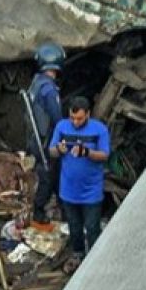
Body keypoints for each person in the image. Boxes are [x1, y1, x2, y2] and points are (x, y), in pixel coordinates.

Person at [47, 96, 110, 263]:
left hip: (92, 191)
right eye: (72, 118)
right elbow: (51, 151)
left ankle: (95, 259)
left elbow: (104, 155)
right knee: (74, 227)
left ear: (88, 114)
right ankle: (78, 254)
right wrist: (59, 150)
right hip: (68, 190)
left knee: (91, 227)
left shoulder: (99, 130)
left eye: (79, 118)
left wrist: (87, 153)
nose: (75, 122)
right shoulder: (62, 127)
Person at [26, 42, 65, 227]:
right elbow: (57, 118)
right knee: (48, 177)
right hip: (46, 141)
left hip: (37, 138)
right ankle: (38, 212)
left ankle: (63, 208)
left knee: (54, 175)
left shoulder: (36, 83)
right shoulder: (49, 90)